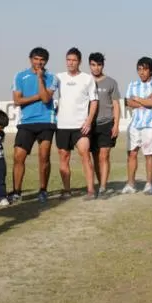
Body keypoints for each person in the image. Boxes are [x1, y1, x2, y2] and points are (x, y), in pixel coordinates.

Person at [10, 47, 57, 203]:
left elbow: (46, 100)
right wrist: (38, 95)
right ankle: (16, 191)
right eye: (36, 59)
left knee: (44, 157)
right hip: (26, 122)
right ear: (30, 59)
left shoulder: (51, 77)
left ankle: (43, 190)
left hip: (46, 121)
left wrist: (39, 78)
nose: (39, 62)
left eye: (42, 60)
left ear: (46, 62)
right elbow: (17, 101)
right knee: (18, 157)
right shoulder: (19, 76)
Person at [55, 48, 99, 200]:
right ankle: (67, 190)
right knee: (64, 157)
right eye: (68, 60)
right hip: (62, 126)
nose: (70, 63)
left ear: (79, 61)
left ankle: (91, 190)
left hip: (80, 126)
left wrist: (88, 121)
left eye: (73, 60)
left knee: (85, 155)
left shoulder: (87, 79)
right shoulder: (58, 77)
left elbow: (94, 101)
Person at [121, 57, 152, 194]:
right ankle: (131, 184)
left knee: (148, 154)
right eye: (139, 69)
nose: (142, 72)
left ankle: (149, 183)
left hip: (150, 125)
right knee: (132, 153)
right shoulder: (133, 85)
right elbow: (127, 102)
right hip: (135, 124)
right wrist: (145, 101)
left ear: (150, 70)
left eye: (145, 69)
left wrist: (138, 99)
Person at [88, 52, 120, 196]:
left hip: (107, 123)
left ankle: (103, 188)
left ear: (103, 65)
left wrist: (116, 124)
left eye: (99, 65)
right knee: (95, 157)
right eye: (93, 65)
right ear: (89, 65)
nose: (96, 68)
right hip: (90, 125)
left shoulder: (111, 82)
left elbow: (116, 104)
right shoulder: (85, 81)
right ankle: (100, 183)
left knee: (104, 155)